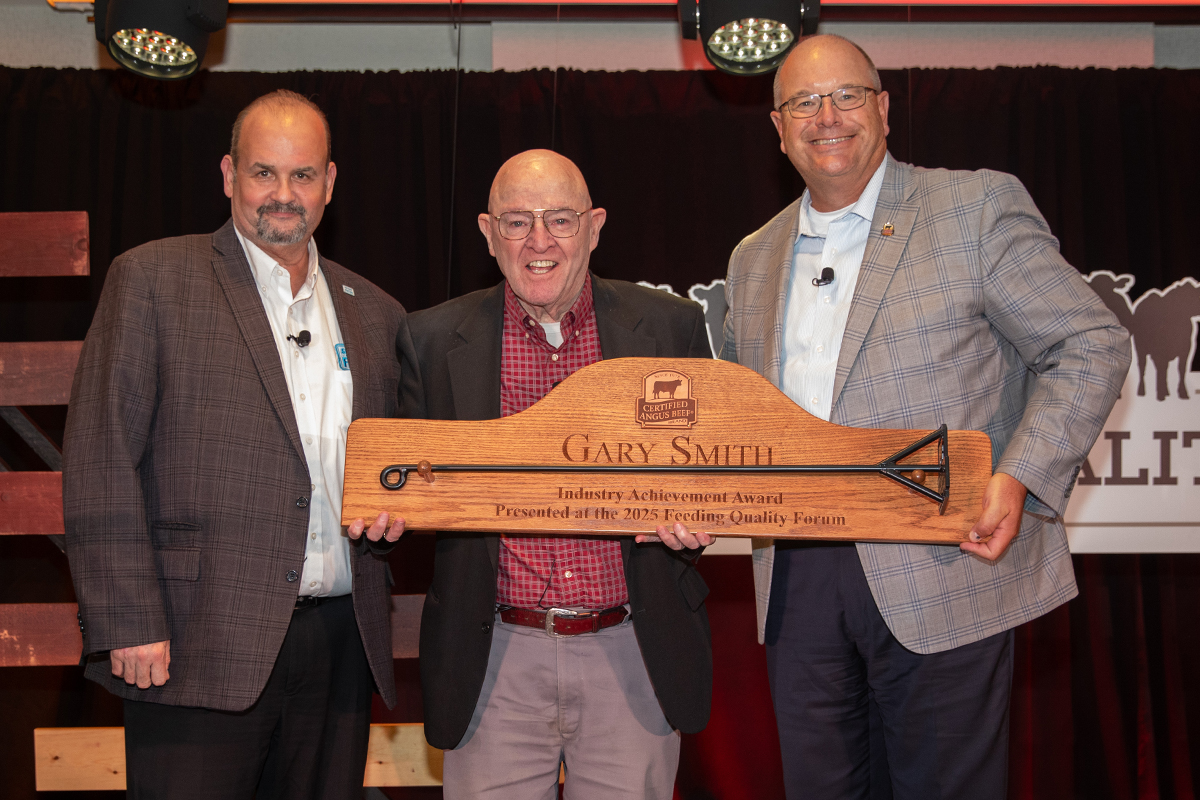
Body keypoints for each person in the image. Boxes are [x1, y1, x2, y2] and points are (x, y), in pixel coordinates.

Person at [719, 35, 1131, 799]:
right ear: (778, 129)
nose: (827, 116)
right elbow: (748, 420)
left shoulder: (973, 206)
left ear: (882, 108)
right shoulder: (754, 255)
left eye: (846, 95)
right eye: (803, 102)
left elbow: (1090, 341)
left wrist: (1019, 475)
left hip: (942, 563)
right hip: (797, 579)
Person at [62, 89, 414, 800]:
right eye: (263, 173)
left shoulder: (376, 313)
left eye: (303, 175)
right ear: (228, 175)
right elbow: (100, 459)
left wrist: (401, 506)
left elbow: (398, 466)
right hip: (194, 643)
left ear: (330, 183)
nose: (282, 195)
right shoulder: (154, 281)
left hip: (341, 644)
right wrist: (127, 621)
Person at [404, 149, 714, 800]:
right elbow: (405, 487)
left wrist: (703, 517)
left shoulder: (670, 327)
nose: (538, 241)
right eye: (516, 221)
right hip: (494, 660)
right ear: (488, 233)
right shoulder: (431, 340)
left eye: (560, 220)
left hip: (632, 650)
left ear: (595, 227)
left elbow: (705, 472)